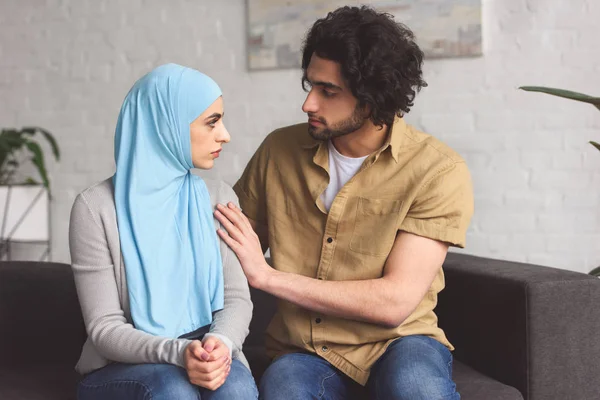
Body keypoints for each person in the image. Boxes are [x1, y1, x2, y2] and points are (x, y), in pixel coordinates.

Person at [214, 6, 474, 400]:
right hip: (303, 349)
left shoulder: (437, 170)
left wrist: (269, 278)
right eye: (310, 86)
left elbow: (394, 302)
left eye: (328, 92)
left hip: (399, 340)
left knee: (418, 389)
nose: (309, 105)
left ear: (372, 98)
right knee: (284, 390)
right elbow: (226, 246)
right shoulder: (278, 152)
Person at [69, 63, 258, 399]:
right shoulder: (94, 208)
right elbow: (105, 329)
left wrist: (221, 343)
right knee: (173, 389)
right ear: (165, 125)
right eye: (211, 122)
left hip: (206, 347)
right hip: (122, 363)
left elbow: (235, 298)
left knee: (237, 389)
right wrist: (177, 353)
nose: (225, 134)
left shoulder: (220, 197)